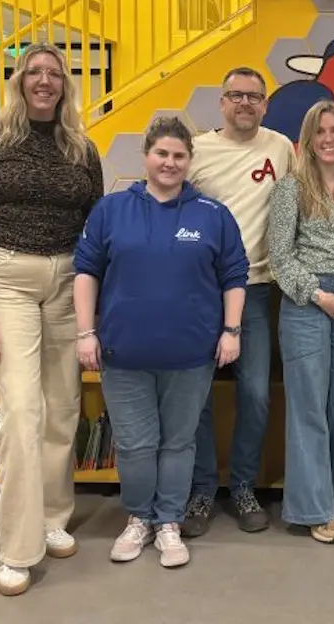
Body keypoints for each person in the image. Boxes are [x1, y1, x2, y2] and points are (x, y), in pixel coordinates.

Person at [0, 42, 104, 597]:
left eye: (54, 73)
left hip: (67, 282)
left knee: (62, 408)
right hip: (7, 279)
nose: (44, 81)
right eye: (34, 72)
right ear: (19, 81)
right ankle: (17, 550)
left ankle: (52, 518)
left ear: (65, 85)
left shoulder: (82, 148)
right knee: (21, 411)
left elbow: (95, 228)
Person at [72, 115, 249, 569]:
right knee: (135, 444)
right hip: (123, 353)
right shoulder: (111, 210)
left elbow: (234, 276)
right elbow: (86, 272)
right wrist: (85, 333)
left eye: (179, 155)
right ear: (146, 156)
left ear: (190, 160)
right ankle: (139, 519)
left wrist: (231, 331)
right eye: (162, 153)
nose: (170, 162)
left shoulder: (212, 215)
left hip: (191, 355)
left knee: (178, 442)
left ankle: (169, 521)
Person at [183, 67, 296, 538]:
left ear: (265, 104)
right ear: (222, 102)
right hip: (201, 291)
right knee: (198, 396)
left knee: (255, 394)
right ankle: (203, 490)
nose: (245, 103)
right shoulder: (196, 151)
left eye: (254, 96)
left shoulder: (281, 148)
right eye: (236, 95)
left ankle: (245, 486)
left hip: (256, 290)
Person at [267, 99, 334, 544]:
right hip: (306, 300)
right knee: (309, 407)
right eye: (320, 132)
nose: (329, 139)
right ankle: (314, 509)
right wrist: (318, 295)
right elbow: (279, 256)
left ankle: (333, 499)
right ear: (307, 141)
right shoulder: (291, 188)